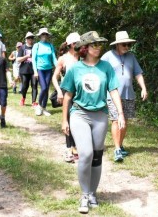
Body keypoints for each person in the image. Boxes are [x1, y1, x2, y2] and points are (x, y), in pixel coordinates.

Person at [61, 31, 124, 214]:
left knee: (97, 156)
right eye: (94, 45)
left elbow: (113, 91)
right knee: (86, 154)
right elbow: (67, 96)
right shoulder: (75, 68)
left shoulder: (106, 67)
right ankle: (84, 194)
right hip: (79, 114)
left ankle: (93, 193)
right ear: (85, 48)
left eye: (99, 45)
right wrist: (64, 120)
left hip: (100, 116)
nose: (98, 48)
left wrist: (119, 114)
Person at [102, 31, 148, 162]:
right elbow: (99, 72)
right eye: (124, 44)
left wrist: (143, 88)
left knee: (125, 121)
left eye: (128, 44)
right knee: (116, 120)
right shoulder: (107, 56)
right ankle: (117, 149)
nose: (127, 47)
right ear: (117, 45)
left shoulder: (131, 57)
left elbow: (138, 73)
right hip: (112, 95)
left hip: (129, 94)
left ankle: (120, 145)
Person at [53, 32, 80, 162]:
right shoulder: (63, 59)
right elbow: (54, 77)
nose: (78, 45)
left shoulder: (82, 57)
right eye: (76, 43)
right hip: (66, 91)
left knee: (78, 120)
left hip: (80, 92)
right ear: (70, 45)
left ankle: (75, 146)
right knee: (68, 120)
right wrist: (58, 91)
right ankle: (68, 148)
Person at [32, 27, 57, 117]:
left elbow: (54, 58)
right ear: (40, 35)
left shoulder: (50, 46)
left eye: (46, 34)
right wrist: (35, 71)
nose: (44, 36)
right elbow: (34, 59)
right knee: (44, 88)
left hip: (49, 69)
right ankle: (38, 106)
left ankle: (44, 107)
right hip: (40, 69)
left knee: (46, 89)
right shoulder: (36, 45)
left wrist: (58, 67)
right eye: (43, 34)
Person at [17, 32, 37, 107]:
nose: (30, 39)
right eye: (29, 38)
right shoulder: (22, 48)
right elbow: (18, 59)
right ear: (26, 39)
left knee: (34, 85)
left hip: (34, 70)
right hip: (24, 70)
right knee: (25, 85)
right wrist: (27, 56)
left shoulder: (35, 47)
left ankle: (34, 102)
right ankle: (23, 98)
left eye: (32, 38)